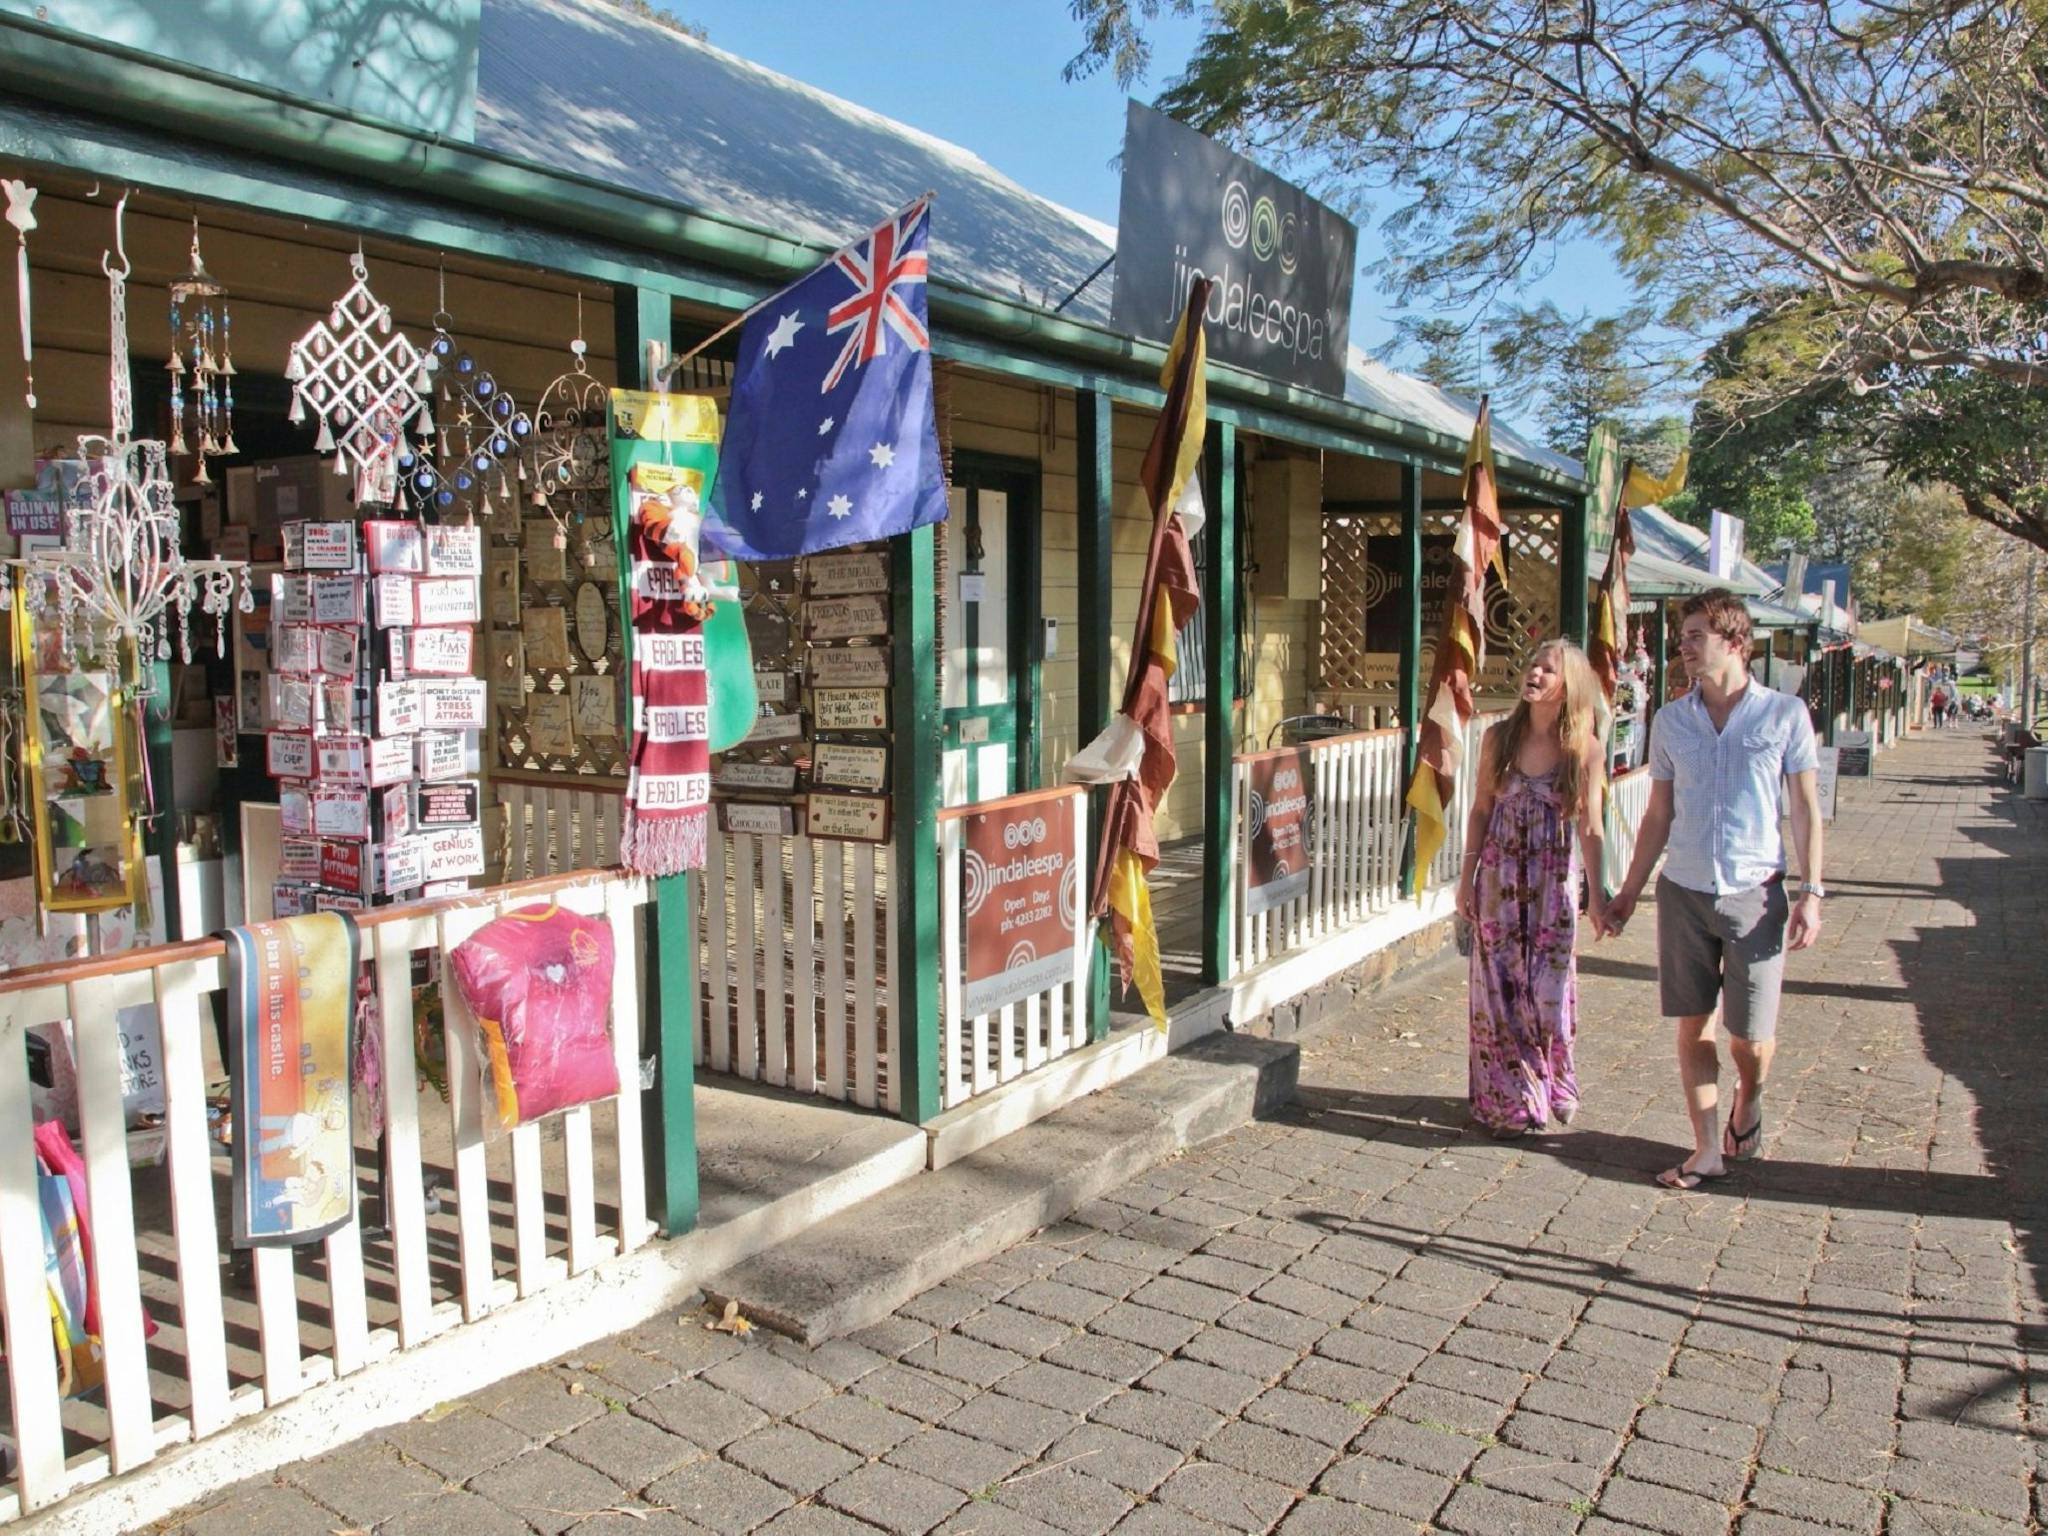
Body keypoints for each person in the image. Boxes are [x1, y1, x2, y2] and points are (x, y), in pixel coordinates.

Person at [1606, 590, 1824, 1189]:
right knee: (1692, 1024)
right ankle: (1706, 1147)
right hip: (1684, 890)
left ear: (1734, 639)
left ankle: (1748, 1100)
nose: (1686, 647)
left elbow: (1805, 809)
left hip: (1756, 894)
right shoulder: (1672, 721)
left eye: (1697, 635)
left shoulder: (1784, 715)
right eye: (1683, 638)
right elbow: (1657, 814)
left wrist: (1813, 892)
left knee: (1750, 1038)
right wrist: (1629, 890)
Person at [1456, 640, 1609, 1138]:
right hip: (1498, 882)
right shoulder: (1499, 738)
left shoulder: (1583, 748)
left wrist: (1598, 893)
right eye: (1533, 666)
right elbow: (1480, 809)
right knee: (1498, 991)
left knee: (1548, 991)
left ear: (1570, 686)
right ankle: (1511, 1096)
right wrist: (1466, 878)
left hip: (1552, 887)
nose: (1535, 675)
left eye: (1549, 669)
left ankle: (1553, 1076)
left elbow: (1591, 827)